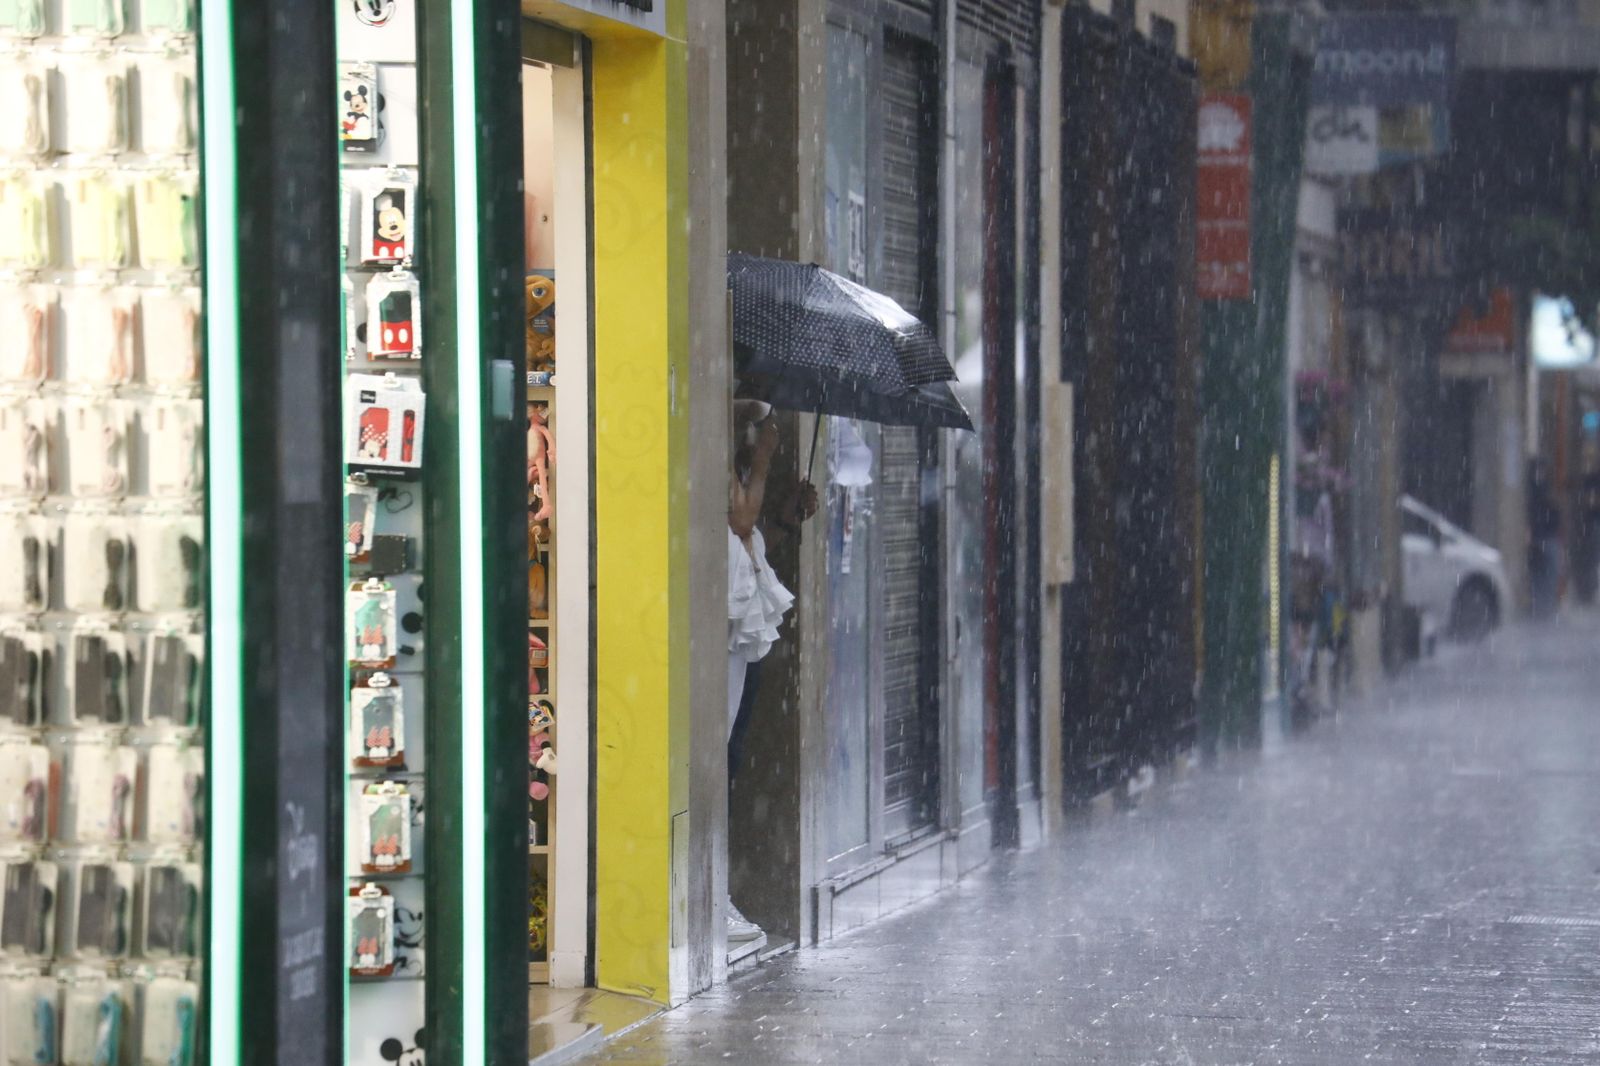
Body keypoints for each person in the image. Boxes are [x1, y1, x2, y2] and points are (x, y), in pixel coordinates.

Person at [725, 401, 816, 945]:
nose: (757, 433)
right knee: (722, 753)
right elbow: (738, 520)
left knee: (732, 752)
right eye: (750, 423)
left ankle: (720, 892)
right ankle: (714, 895)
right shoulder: (721, 464)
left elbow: (750, 545)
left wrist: (784, 517)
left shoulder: (734, 470)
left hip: (744, 637)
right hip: (727, 637)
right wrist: (762, 461)